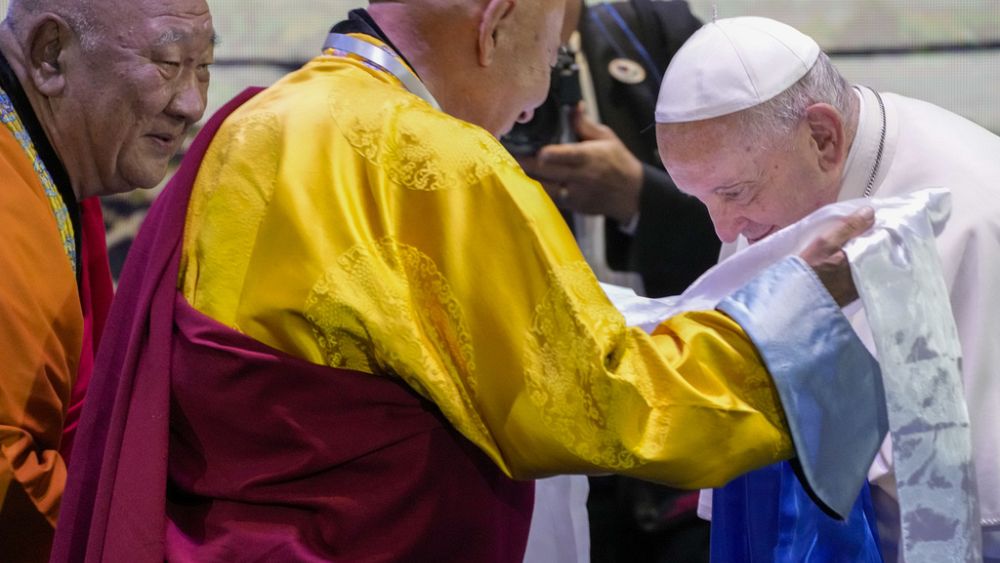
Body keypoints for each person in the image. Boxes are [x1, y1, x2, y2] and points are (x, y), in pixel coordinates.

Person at [54, 2, 883, 561]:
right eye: (554, 54)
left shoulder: (259, 121)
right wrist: (791, 309)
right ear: (496, 19)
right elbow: (610, 406)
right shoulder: (434, 162)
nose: (536, 100)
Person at [655, 16, 1000, 561]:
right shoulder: (779, 183)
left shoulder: (976, 208)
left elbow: (967, 497)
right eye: (703, 201)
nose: (723, 231)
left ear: (823, 137)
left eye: (733, 192)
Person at [0, 0, 213, 560]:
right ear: (51, 54)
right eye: (167, 63)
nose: (192, 104)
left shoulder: (50, 163)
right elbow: (7, 472)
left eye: (205, 66)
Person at [518, 2, 718, 560]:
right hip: (531, 423)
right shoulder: (452, 61)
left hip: (673, 411)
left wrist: (641, 199)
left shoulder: (657, 32)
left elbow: (770, 221)